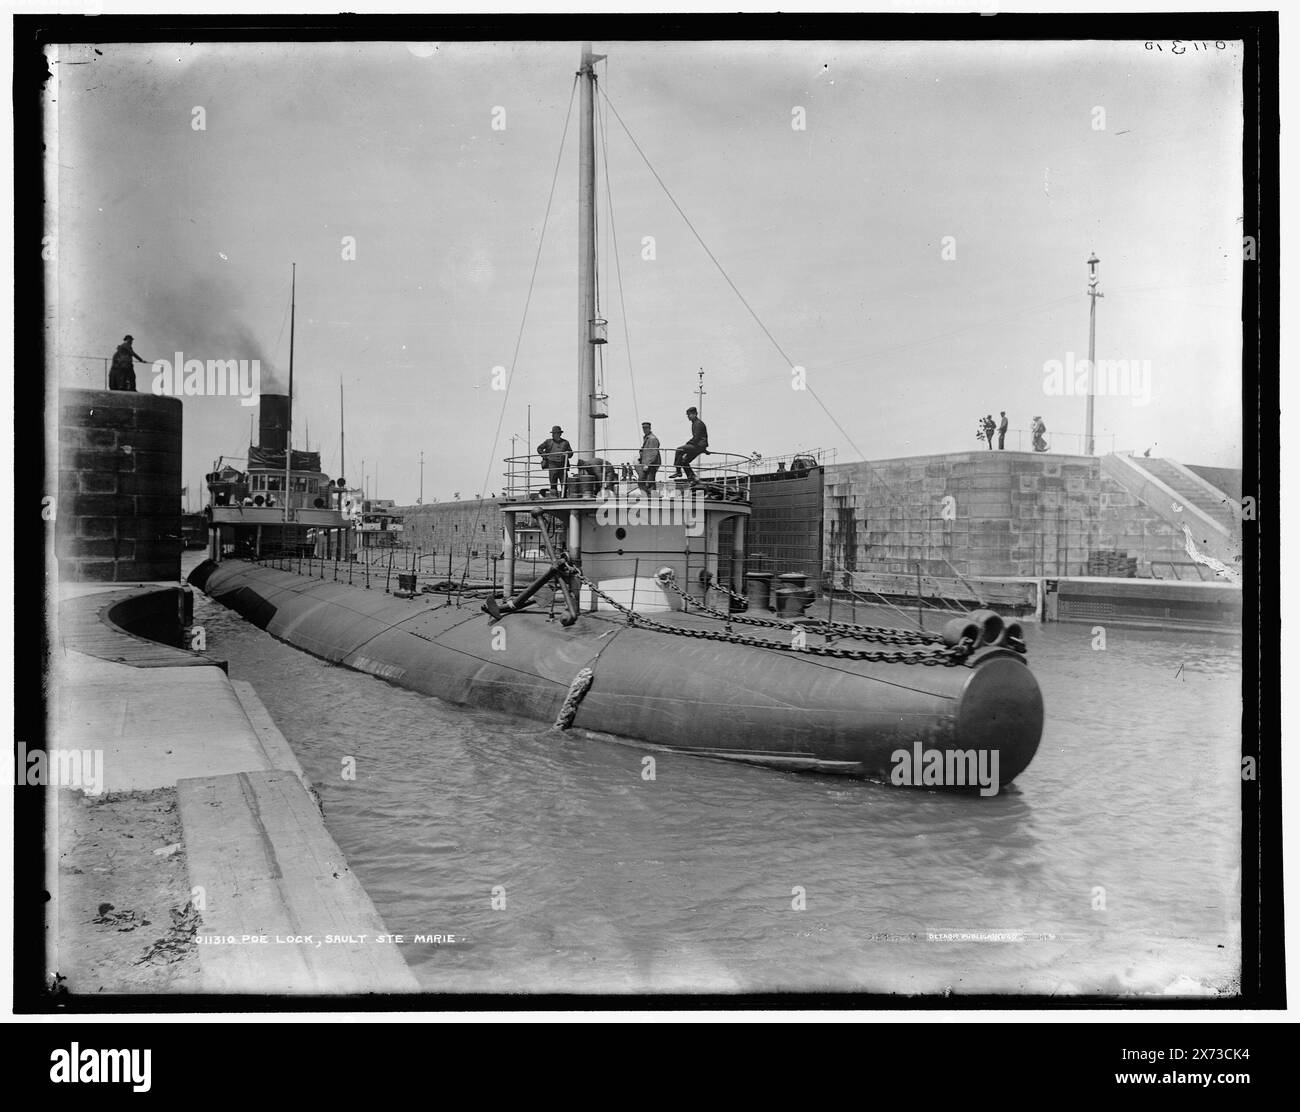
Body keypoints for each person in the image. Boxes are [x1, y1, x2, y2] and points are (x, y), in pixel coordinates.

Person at [670, 407, 709, 485]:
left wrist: (687, 444)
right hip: (699, 446)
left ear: (694, 414)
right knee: (684, 461)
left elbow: (696, 438)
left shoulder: (698, 423)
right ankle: (692, 477)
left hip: (698, 446)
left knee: (679, 450)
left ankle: (678, 471)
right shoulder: (695, 423)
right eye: (687, 415)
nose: (688, 416)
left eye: (689, 415)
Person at [536, 426, 572, 495]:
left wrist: (568, 453)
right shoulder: (548, 442)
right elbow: (539, 448)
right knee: (553, 483)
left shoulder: (565, 442)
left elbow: (571, 453)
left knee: (564, 483)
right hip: (552, 465)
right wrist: (545, 455)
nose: (555, 435)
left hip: (562, 465)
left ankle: (564, 496)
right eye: (554, 433)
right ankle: (554, 496)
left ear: (560, 434)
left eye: (557, 433)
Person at [637, 421, 661, 495]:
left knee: (648, 481)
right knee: (647, 481)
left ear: (649, 428)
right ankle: (650, 495)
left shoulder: (652, 439)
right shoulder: (647, 438)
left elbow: (653, 453)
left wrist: (648, 464)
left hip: (651, 464)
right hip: (646, 464)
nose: (644, 429)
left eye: (646, 428)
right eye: (643, 428)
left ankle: (651, 496)